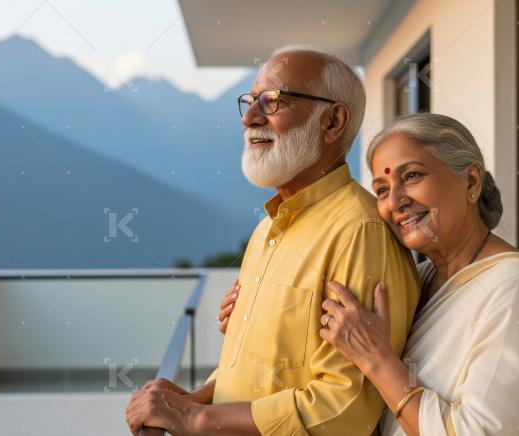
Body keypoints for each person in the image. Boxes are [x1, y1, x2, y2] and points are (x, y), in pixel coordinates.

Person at [221, 113, 519, 435]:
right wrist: (256, 318)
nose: (394, 202)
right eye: (382, 188)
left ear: (470, 182)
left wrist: (378, 360)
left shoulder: (515, 286)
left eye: (413, 175)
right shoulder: (418, 280)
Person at [126, 46, 420, 435]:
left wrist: (194, 418)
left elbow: (345, 409)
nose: (250, 117)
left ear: (333, 121)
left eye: (272, 101)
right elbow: (267, 373)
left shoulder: (359, 233)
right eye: (249, 101)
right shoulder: (269, 227)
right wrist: (198, 396)